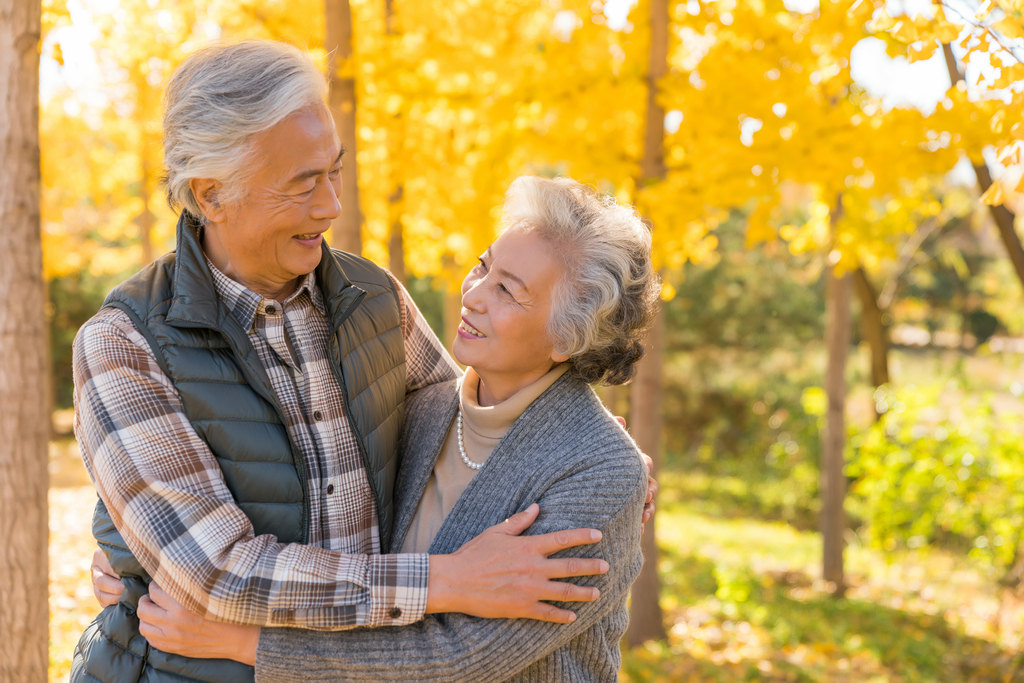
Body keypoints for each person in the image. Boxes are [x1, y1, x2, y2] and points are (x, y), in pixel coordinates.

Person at [71, 41, 652, 683]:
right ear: (212, 195)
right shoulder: (122, 345)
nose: (331, 207)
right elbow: (216, 573)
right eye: (302, 185)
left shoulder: (374, 301)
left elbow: (468, 413)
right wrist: (441, 582)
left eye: (333, 172)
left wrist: (611, 464)